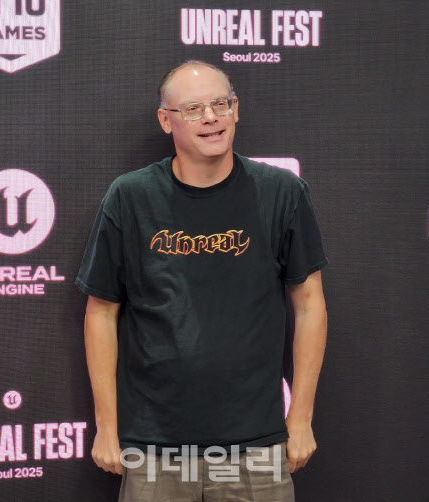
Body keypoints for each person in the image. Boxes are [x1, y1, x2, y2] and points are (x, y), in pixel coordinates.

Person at [75, 60, 328, 501]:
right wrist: (107, 427)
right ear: (166, 119)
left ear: (236, 110)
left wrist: (302, 418)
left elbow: (309, 305)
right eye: (193, 109)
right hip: (154, 446)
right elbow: (101, 312)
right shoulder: (130, 197)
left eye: (220, 104)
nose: (211, 117)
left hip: (257, 444)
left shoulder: (282, 192)